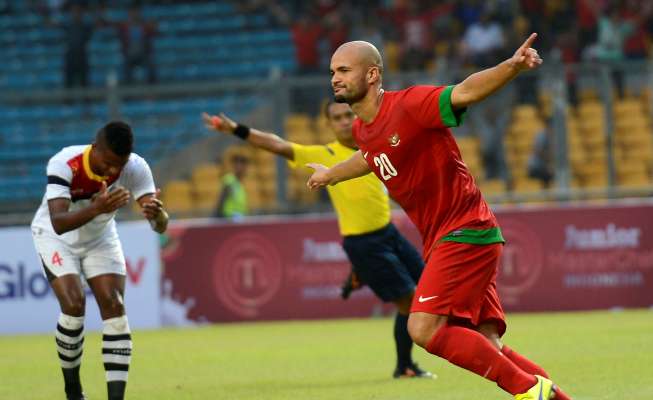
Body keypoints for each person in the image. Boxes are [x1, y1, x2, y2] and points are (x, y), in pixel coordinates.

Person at [306, 36, 573, 400]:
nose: (334, 78)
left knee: (423, 328)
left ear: (372, 75)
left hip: (465, 230)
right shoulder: (361, 129)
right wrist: (332, 173)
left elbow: (464, 92)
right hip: (452, 237)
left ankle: (528, 391)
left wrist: (512, 66)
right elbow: (370, 155)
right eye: (332, 71)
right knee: (484, 341)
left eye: (343, 70)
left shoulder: (411, 105)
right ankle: (554, 396)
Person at [201, 102, 434, 379]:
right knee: (408, 301)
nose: (345, 121)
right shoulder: (325, 154)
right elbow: (278, 145)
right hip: (363, 243)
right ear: (329, 124)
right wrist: (237, 129)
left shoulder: (373, 147)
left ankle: (361, 275)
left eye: (348, 115)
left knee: (429, 286)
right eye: (337, 118)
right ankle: (404, 366)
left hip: (389, 232)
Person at [30, 121, 169, 400]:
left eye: (119, 165)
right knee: (73, 305)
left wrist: (158, 215)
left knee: (114, 305)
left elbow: (160, 226)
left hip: (100, 238)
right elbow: (58, 223)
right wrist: (97, 207)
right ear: (95, 148)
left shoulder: (136, 167)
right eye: (107, 163)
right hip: (56, 237)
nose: (113, 172)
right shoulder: (65, 163)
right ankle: (73, 390)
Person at [215, 152, 249, 219]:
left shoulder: (240, 184)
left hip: (239, 220)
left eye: (244, 165)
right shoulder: (229, 181)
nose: (242, 168)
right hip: (229, 220)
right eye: (239, 164)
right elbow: (220, 203)